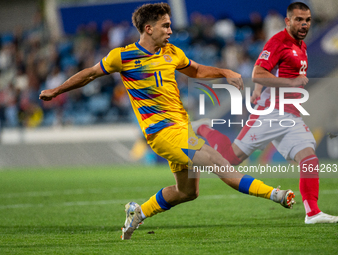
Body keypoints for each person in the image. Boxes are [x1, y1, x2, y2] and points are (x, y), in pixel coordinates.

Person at [39, 3, 295, 240]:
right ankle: (276, 194)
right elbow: (90, 74)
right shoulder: (123, 56)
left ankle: (137, 212)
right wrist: (57, 90)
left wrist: (224, 72)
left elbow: (194, 70)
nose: (171, 30)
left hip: (182, 128)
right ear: (148, 29)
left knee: (187, 192)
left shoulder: (171, 51)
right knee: (220, 161)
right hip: (162, 133)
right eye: (166, 25)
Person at [192, 2, 338, 224]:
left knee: (309, 159)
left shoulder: (301, 46)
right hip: (270, 114)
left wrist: (260, 88)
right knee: (229, 162)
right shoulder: (278, 41)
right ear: (288, 21)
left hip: (290, 116)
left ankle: (313, 213)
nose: (304, 24)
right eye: (299, 19)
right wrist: (287, 83)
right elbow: (258, 72)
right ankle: (204, 128)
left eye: (307, 20)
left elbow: (268, 70)